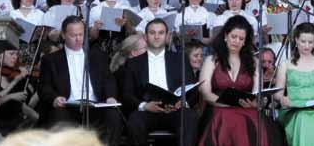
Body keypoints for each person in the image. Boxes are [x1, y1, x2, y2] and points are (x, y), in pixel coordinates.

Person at [198, 15, 284, 146]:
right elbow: (205, 91)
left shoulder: (254, 62)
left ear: (245, 42)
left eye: (241, 38)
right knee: (225, 118)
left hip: (247, 109)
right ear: (226, 36)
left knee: (256, 120)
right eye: (233, 37)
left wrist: (256, 103)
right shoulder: (212, 60)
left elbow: (257, 92)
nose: (236, 41)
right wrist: (225, 104)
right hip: (218, 108)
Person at [38, 16, 123, 146]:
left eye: (81, 34)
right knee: (58, 118)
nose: (78, 39)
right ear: (63, 35)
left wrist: (111, 97)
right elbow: (44, 87)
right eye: (73, 35)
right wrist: (54, 98)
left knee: (113, 116)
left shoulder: (98, 56)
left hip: (94, 106)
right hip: (67, 107)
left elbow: (108, 80)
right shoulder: (51, 60)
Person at [123, 19, 199, 146]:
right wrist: (144, 105)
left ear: (167, 36)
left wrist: (183, 103)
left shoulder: (180, 59)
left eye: (161, 33)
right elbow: (127, 94)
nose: (157, 36)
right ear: (146, 37)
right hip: (148, 111)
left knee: (190, 117)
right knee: (134, 121)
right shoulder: (133, 63)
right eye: (152, 33)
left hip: (175, 110)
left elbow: (193, 89)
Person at [274, 23, 314, 146]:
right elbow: (278, 94)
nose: (307, 45)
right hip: (293, 110)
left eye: (310, 42)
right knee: (302, 118)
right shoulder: (286, 64)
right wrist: (283, 98)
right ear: (296, 40)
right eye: (303, 41)